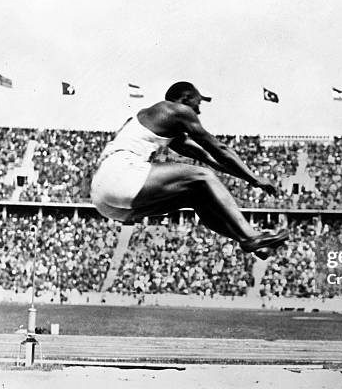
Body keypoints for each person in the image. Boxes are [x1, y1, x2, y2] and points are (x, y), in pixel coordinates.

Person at [91, 81, 289, 258]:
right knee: (203, 176)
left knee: (196, 196)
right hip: (120, 174)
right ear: (185, 99)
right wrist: (254, 179)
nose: (199, 111)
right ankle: (251, 236)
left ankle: (250, 241)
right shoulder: (175, 110)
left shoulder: (162, 125)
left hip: (106, 200)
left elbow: (208, 157)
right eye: (198, 103)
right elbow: (219, 149)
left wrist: (249, 178)